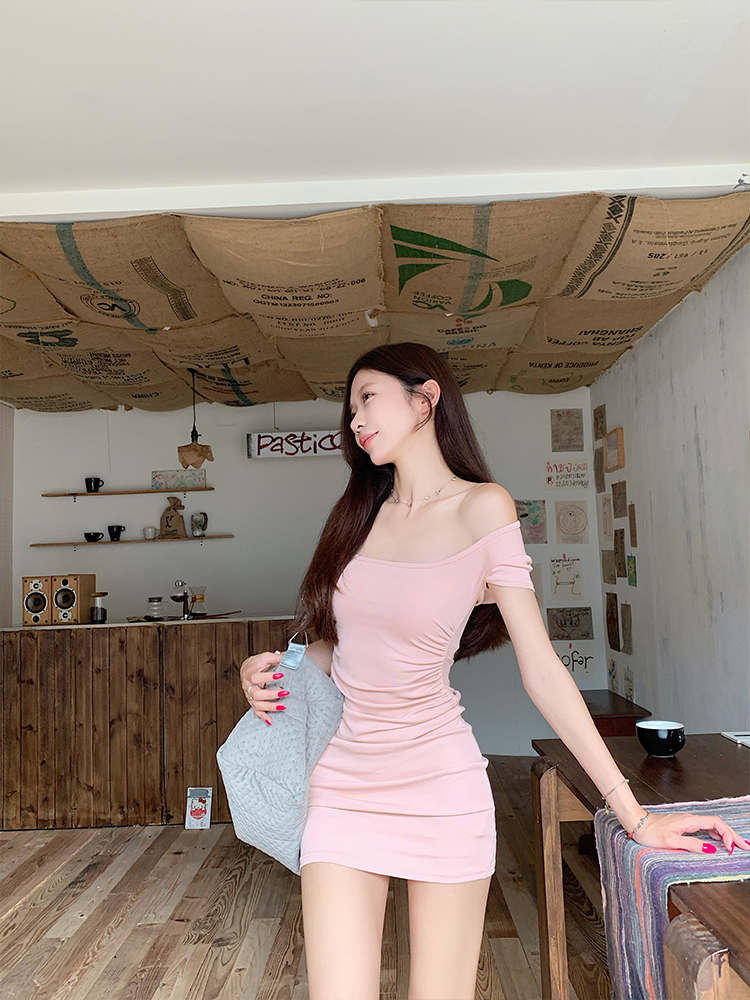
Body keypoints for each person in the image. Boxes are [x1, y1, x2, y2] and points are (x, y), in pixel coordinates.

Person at [239, 343, 749, 1000]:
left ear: (426, 399)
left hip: (439, 788)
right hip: (340, 788)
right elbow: (338, 650)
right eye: (350, 406)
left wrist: (633, 814)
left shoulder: (483, 508)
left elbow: (543, 670)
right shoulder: (358, 517)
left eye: (367, 397)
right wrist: (271, 670)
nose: (354, 417)